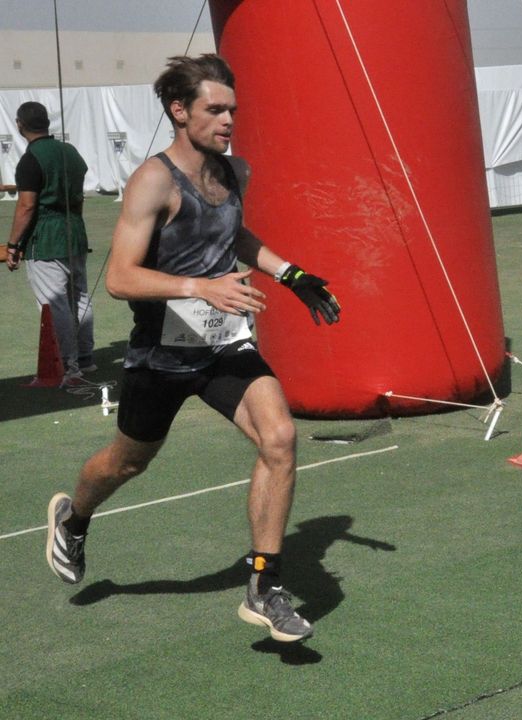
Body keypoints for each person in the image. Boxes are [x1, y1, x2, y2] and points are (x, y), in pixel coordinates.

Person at [43, 54, 341, 643]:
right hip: (160, 355)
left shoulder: (235, 173)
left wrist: (292, 275)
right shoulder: (153, 180)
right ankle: (73, 518)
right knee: (128, 462)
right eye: (215, 109)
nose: (229, 119)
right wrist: (201, 286)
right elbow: (121, 277)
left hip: (223, 344)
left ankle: (263, 588)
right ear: (180, 111)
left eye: (233, 108)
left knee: (279, 438)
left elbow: (233, 235)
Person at [6, 101, 96, 381]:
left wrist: (12, 245)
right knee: (79, 296)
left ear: (20, 125)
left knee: (54, 303)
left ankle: (68, 367)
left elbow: (27, 206)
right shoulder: (70, 151)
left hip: (46, 238)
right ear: (47, 122)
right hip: (75, 231)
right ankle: (84, 357)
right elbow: (78, 197)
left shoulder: (30, 159)